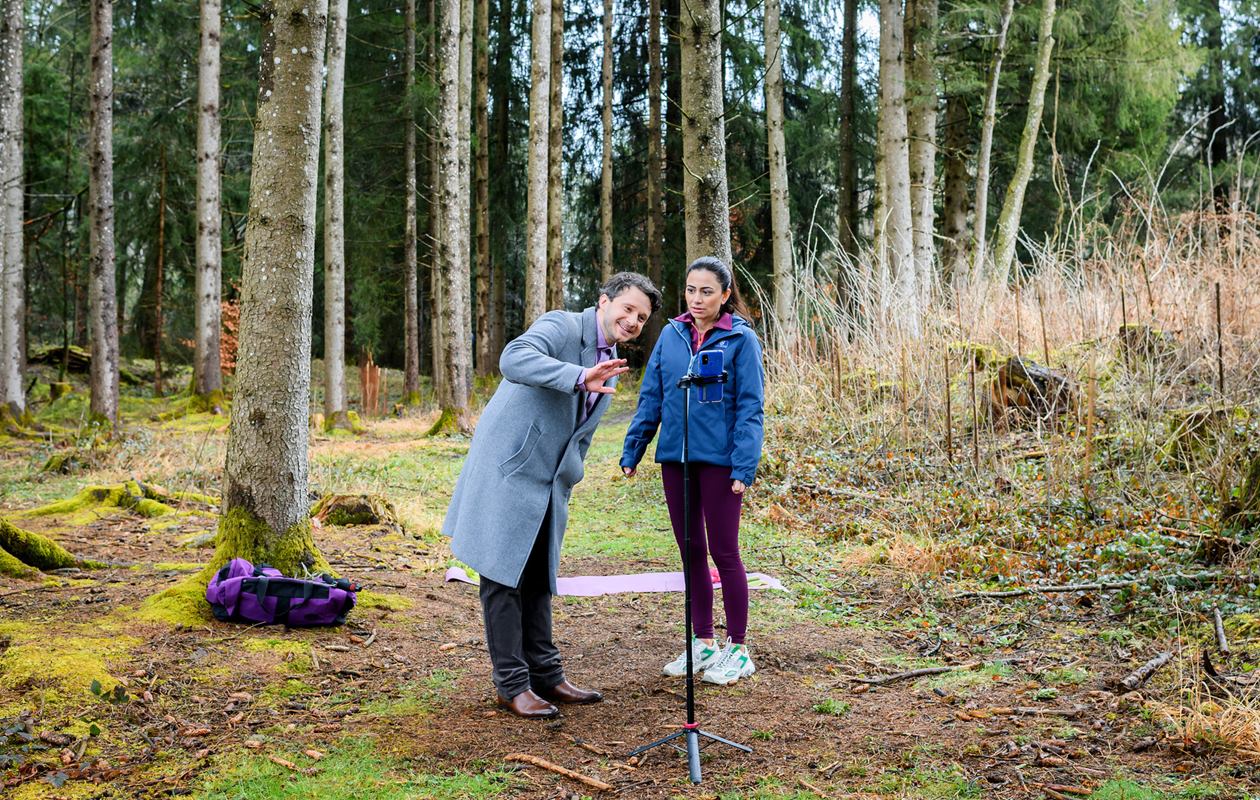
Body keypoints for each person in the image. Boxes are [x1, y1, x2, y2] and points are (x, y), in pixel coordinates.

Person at [444, 272, 662, 719]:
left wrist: (571, 473)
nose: (633, 320)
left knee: (540, 576)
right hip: (508, 469)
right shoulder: (563, 326)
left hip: (549, 482)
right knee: (503, 577)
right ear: (604, 301)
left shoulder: (612, 363)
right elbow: (513, 357)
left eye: (641, 317)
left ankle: (546, 674)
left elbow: (582, 434)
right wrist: (579, 375)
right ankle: (512, 685)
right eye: (627, 309)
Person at [620, 256, 765, 686]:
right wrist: (635, 447)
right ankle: (703, 642)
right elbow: (652, 396)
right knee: (690, 553)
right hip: (675, 461)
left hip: (721, 465)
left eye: (707, 291)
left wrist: (744, 465)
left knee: (725, 553)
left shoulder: (741, 340)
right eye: (690, 290)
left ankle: (738, 648)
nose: (697, 299)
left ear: (724, 295)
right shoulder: (671, 335)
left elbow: (750, 409)